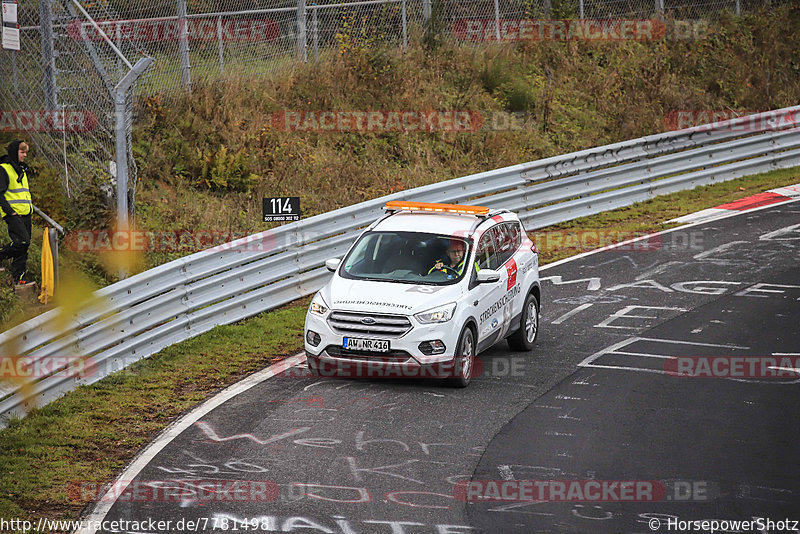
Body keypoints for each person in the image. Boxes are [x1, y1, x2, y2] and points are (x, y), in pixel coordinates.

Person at [0, 140, 34, 284]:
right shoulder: (4, 169)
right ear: (15, 152)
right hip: (13, 214)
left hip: (26, 214)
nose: (25, 155)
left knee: (22, 248)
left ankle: (20, 279)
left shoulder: (22, 170)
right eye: (22, 152)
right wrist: (11, 212)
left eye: (26, 152)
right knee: (23, 242)